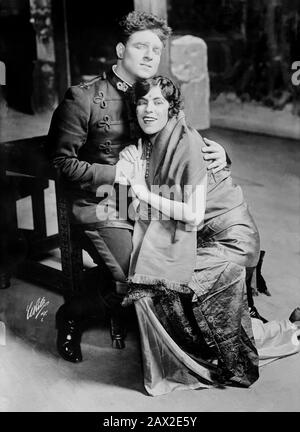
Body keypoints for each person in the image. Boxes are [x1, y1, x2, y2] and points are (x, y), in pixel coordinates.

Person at [46, 11, 227, 363]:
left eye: (155, 50)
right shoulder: (82, 98)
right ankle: (72, 315)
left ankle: (224, 322)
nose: (148, 55)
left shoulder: (156, 91)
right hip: (102, 203)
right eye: (140, 46)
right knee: (143, 276)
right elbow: (59, 162)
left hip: (154, 199)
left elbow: (182, 140)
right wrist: (115, 177)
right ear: (120, 49)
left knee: (205, 247)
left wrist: (219, 152)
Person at [119, 76, 300, 395]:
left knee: (163, 280)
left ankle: (260, 341)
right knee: (154, 271)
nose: (149, 109)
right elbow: (140, 203)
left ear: (172, 108)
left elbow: (191, 212)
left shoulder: (184, 142)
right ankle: (280, 328)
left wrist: (141, 192)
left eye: (158, 102)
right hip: (203, 233)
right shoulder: (152, 141)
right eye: (143, 102)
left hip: (230, 238)